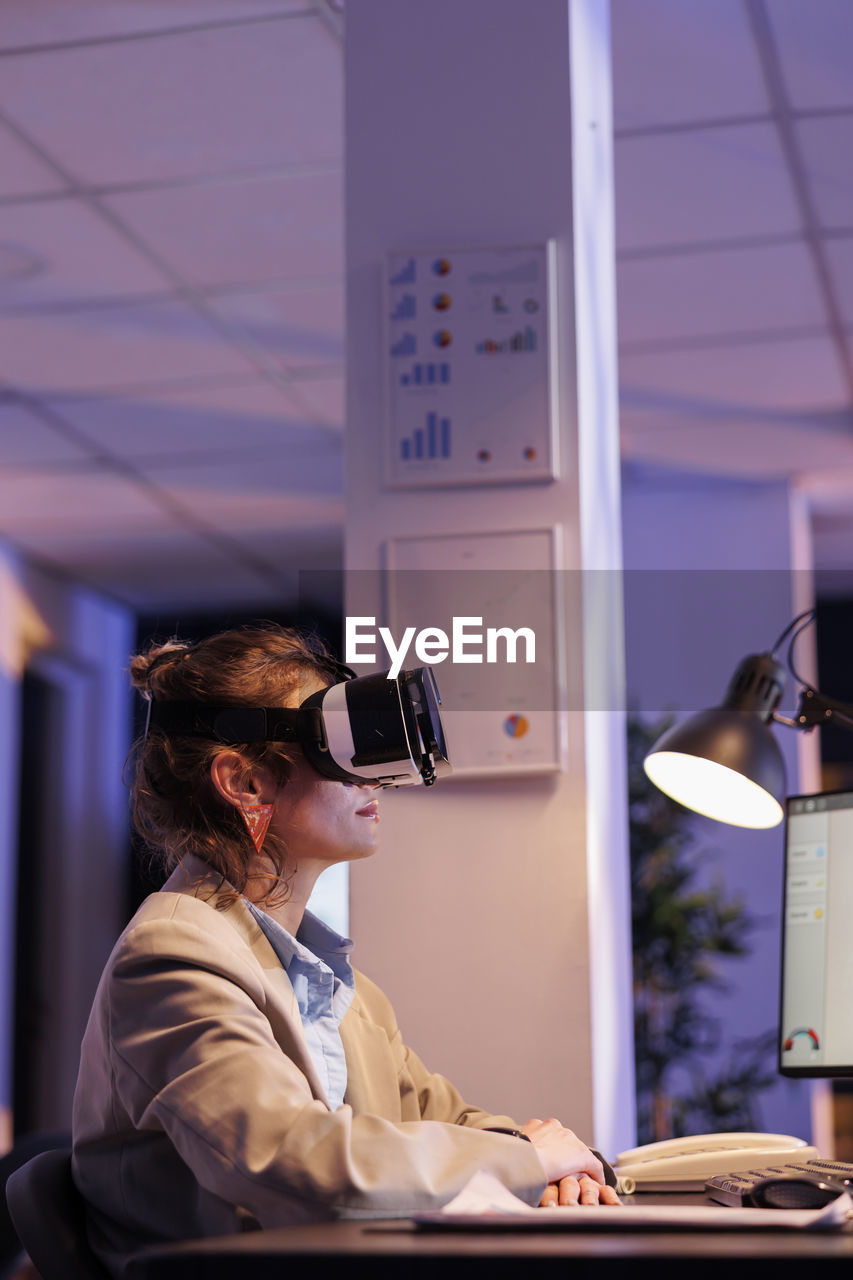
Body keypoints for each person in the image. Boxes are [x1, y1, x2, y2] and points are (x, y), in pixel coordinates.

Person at [72, 626, 619, 1276]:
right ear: (246, 783)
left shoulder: (323, 976)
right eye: (338, 742)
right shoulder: (173, 957)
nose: (374, 778)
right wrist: (530, 1161)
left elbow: (439, 1116)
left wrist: (549, 1166)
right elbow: (298, 1166)